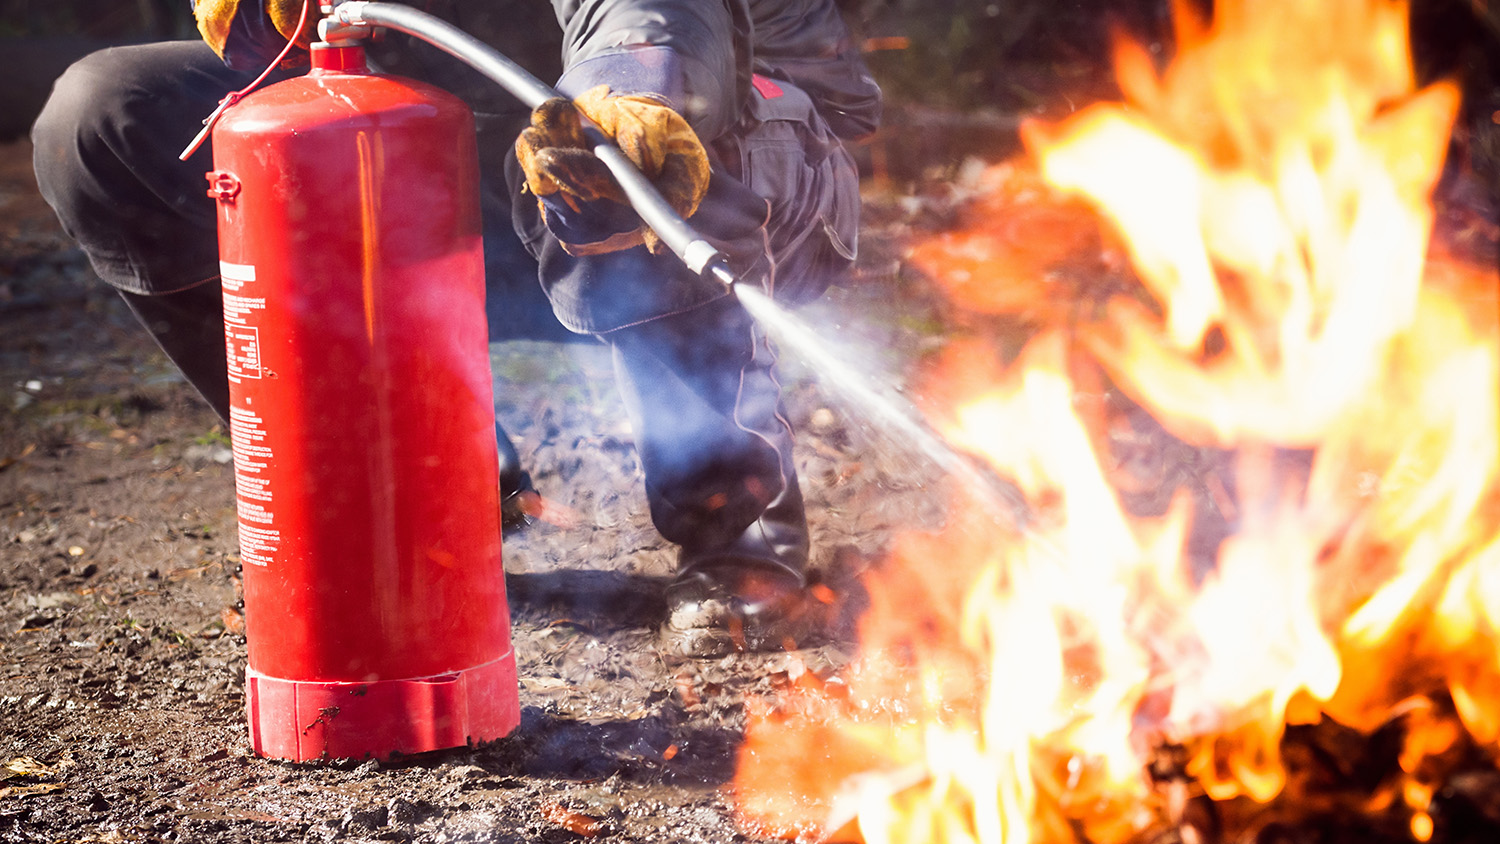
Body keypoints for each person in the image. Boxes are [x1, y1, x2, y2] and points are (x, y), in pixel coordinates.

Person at [30, 0, 881, 658]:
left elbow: (649, 19)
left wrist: (629, 97)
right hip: (463, 152)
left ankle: (735, 532)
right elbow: (296, 63)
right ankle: (419, 495)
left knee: (609, 140)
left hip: (742, 141)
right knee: (108, 114)